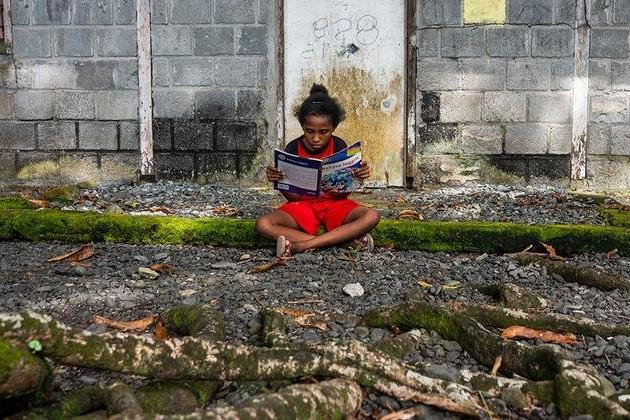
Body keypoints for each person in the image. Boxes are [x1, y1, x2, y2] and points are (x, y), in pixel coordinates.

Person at [255, 84, 380, 257]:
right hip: (303, 206)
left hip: (335, 205)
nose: (316, 138)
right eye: (309, 131)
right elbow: (293, 198)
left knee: (372, 215)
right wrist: (279, 180)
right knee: (263, 224)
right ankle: (341, 241)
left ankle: (302, 245)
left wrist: (356, 177)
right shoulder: (293, 148)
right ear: (302, 126)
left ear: (333, 128)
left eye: (323, 132)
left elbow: (342, 194)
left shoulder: (339, 146)